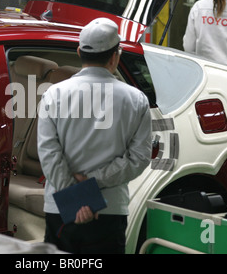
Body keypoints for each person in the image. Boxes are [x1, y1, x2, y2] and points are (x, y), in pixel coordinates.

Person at [37, 17, 152, 254]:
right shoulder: (136, 99)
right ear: (115, 57)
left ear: (79, 52)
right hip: (109, 211)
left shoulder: (53, 95)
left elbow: (48, 153)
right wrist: (92, 183)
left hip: (61, 208)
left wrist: (75, 196)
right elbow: (139, 158)